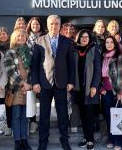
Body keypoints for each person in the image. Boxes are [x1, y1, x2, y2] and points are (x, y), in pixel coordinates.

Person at [31, 15, 75, 150]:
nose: (53, 26)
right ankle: (42, 142)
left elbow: (71, 64)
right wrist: (35, 82)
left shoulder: (67, 41)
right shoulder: (39, 41)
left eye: (56, 24)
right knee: (44, 115)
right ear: (47, 25)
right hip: (44, 83)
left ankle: (64, 140)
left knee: (62, 115)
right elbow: (35, 64)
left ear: (60, 25)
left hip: (61, 83)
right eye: (51, 24)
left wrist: (71, 81)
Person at [73, 30, 102, 150]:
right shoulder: (75, 50)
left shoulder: (93, 49)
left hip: (90, 88)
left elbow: (98, 69)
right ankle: (86, 137)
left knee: (89, 115)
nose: (84, 39)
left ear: (90, 38)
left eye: (86, 37)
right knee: (82, 115)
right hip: (78, 88)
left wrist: (94, 86)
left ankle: (90, 140)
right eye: (82, 37)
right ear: (78, 38)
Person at [5, 30, 33, 150]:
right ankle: (17, 141)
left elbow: (33, 70)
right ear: (14, 38)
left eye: (23, 36)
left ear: (26, 37)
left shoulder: (30, 52)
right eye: (19, 36)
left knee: (25, 117)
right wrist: (23, 84)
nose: (21, 37)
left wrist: (29, 85)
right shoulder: (10, 52)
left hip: (28, 90)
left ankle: (24, 140)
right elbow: (10, 72)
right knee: (16, 116)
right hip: (16, 89)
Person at [100, 36, 122, 150]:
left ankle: (119, 141)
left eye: (111, 42)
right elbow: (99, 75)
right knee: (108, 117)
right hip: (105, 92)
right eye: (107, 42)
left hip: (117, 92)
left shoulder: (119, 56)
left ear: (115, 44)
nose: (109, 44)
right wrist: (101, 89)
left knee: (119, 116)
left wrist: (120, 91)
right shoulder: (102, 57)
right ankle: (111, 139)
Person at [25, 16, 46, 134]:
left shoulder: (45, 38)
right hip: (29, 72)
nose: (35, 26)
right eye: (33, 24)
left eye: (37, 24)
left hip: (43, 72)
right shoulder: (27, 38)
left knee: (42, 99)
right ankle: (32, 122)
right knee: (30, 98)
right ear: (30, 26)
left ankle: (42, 122)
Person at [59, 22, 79, 133]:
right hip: (62, 78)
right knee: (63, 103)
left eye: (70, 30)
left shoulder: (76, 44)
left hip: (75, 77)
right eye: (66, 30)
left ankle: (74, 124)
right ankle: (64, 124)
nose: (68, 32)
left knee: (74, 102)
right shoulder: (59, 43)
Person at [0, 27, 12, 136]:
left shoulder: (12, 47)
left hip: (10, 80)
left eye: (4, 33)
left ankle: (9, 126)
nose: (3, 36)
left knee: (8, 104)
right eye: (0, 34)